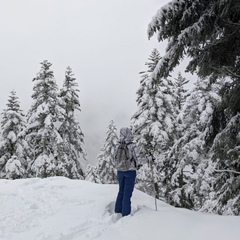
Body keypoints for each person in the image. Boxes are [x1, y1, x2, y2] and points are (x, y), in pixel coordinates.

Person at [113, 127, 143, 217]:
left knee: (121, 190)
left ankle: (117, 211)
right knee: (127, 193)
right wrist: (149, 159)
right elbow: (140, 159)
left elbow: (113, 158)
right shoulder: (132, 146)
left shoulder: (117, 146)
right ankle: (125, 214)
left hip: (120, 171)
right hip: (130, 171)